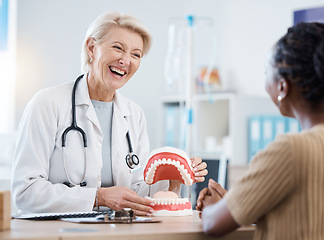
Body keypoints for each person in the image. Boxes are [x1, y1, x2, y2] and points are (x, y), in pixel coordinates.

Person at [11, 11, 208, 215]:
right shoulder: (48, 103)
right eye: (117, 48)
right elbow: (25, 191)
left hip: (116, 230)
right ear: (91, 48)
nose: (125, 60)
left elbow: (133, 191)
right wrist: (98, 197)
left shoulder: (134, 114)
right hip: (56, 232)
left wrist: (173, 177)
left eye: (136, 54)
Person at [196, 22, 324, 239]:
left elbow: (213, 224)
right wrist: (236, 202)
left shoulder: (291, 149)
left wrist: (211, 207)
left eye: (266, 73)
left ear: (282, 86)